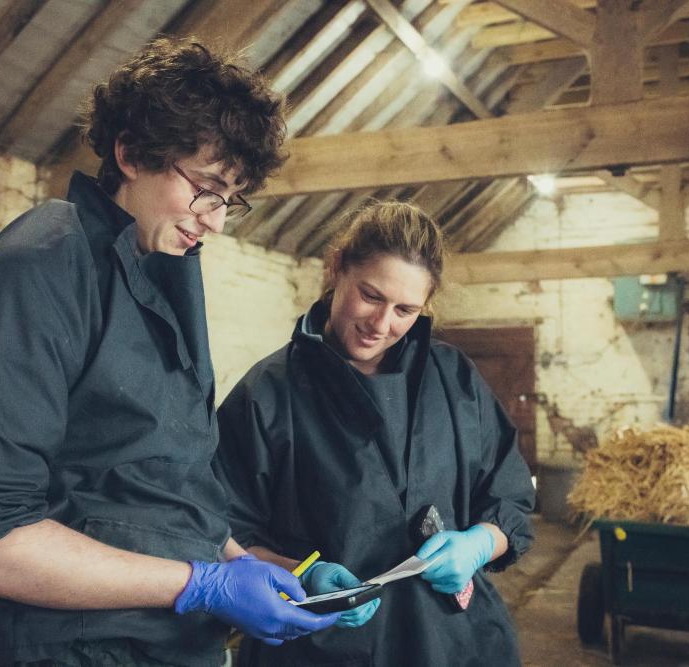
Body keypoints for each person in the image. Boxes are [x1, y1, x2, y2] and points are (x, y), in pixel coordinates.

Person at [0, 38, 338, 666]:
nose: (216, 221)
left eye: (230, 200)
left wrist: (248, 566)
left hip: (156, 643)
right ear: (132, 154)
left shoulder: (158, 275)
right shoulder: (38, 270)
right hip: (61, 649)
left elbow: (153, 482)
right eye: (207, 189)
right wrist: (202, 585)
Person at [214, 201, 535, 666]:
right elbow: (224, 529)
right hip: (321, 649)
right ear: (336, 267)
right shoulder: (267, 395)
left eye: (405, 309)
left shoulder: (454, 379)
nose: (381, 325)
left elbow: (511, 499)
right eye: (370, 295)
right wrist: (304, 574)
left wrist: (480, 543)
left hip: (456, 643)